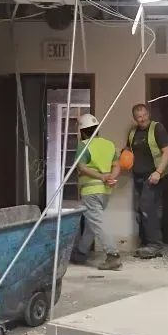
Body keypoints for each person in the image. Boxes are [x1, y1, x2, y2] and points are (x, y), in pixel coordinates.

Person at [71, 113, 122, 271]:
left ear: (82, 131)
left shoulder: (84, 144)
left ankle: (113, 256)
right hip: (105, 191)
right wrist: (110, 177)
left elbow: (81, 167)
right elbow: (116, 165)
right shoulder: (109, 144)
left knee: (97, 223)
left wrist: (100, 176)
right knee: (91, 223)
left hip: (91, 190)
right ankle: (81, 253)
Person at [127, 103, 168, 259]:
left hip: (153, 176)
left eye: (145, 115)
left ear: (148, 114)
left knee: (147, 209)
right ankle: (150, 244)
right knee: (145, 210)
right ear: (135, 118)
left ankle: (154, 245)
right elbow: (130, 150)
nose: (143, 118)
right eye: (139, 116)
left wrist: (158, 172)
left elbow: (167, 151)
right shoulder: (133, 132)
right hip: (138, 176)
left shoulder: (157, 128)